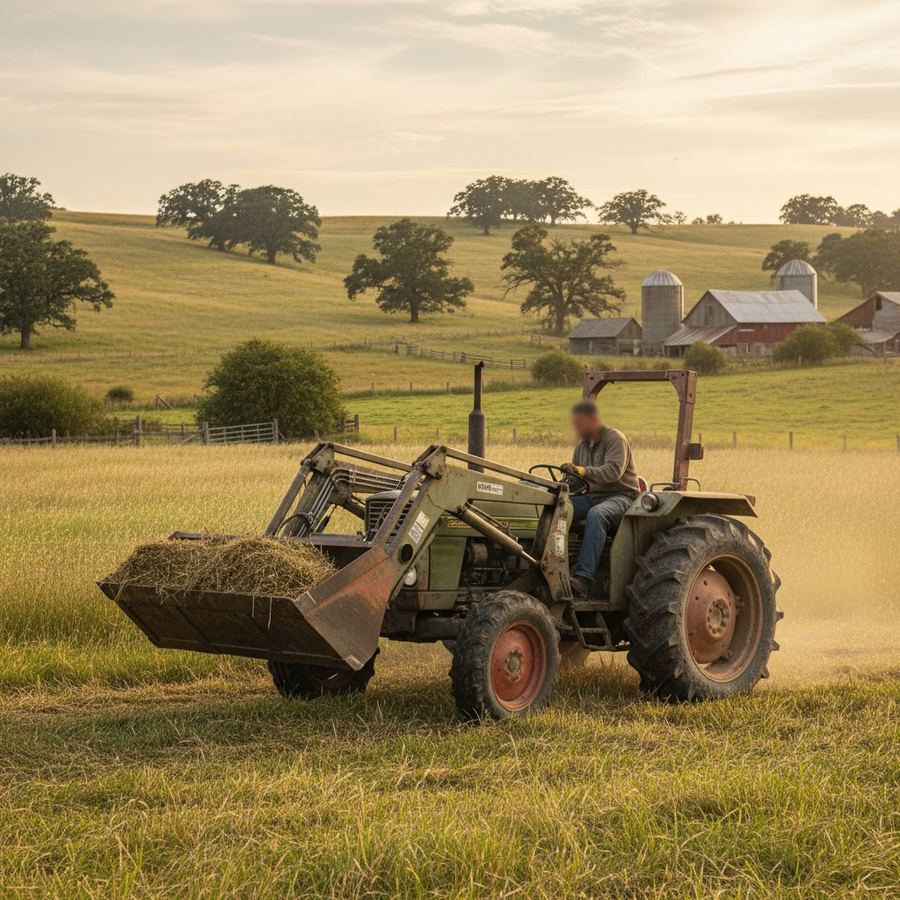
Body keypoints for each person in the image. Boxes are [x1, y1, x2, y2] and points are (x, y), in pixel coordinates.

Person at [561, 399, 639, 597]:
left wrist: (581, 470)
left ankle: (583, 578)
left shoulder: (615, 439)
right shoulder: (581, 446)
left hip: (622, 497)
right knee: (559, 506)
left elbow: (613, 472)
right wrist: (565, 484)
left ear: (594, 420)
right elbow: (578, 480)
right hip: (593, 496)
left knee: (598, 514)